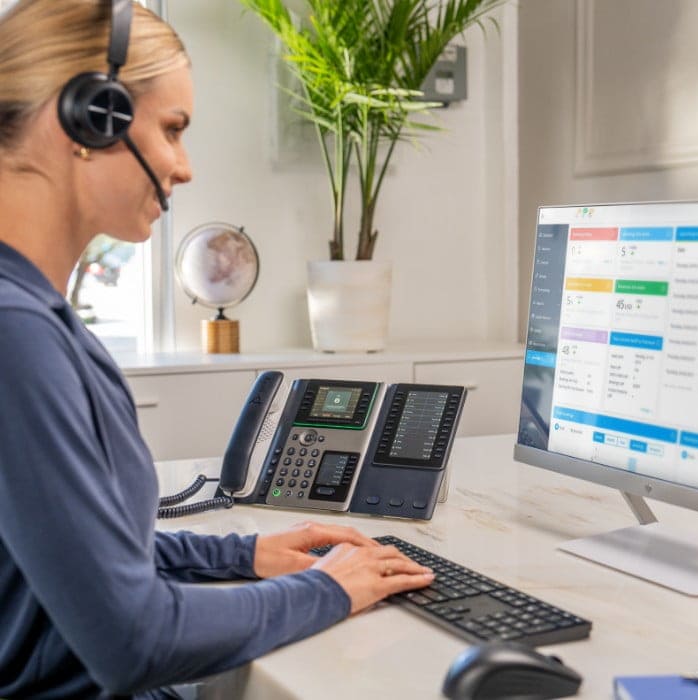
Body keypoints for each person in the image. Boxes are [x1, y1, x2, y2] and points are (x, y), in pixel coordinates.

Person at [0, 2, 434, 698]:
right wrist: (328, 590)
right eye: (171, 130)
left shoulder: (34, 313)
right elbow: (132, 639)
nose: (183, 166)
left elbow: (74, 560)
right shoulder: (16, 335)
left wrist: (245, 554)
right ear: (90, 117)